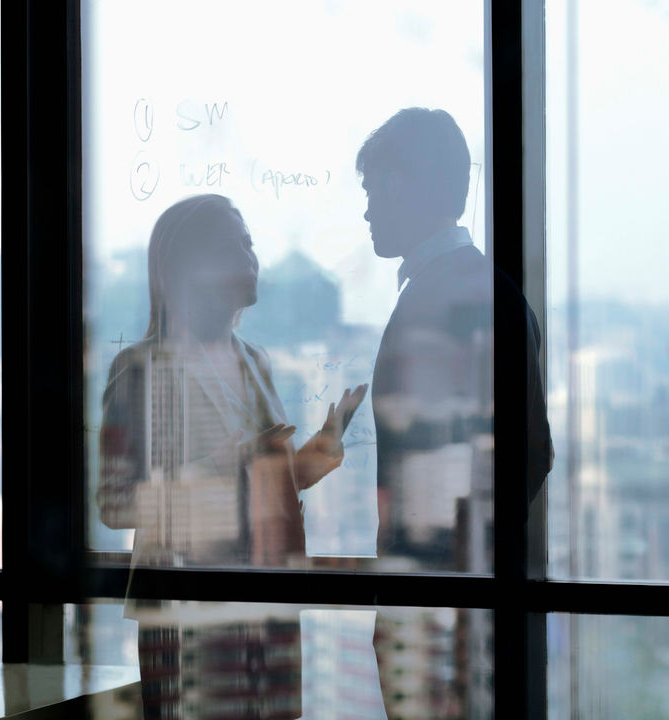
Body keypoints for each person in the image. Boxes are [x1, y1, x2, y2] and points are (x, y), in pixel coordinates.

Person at [96, 193, 366, 718]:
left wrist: (320, 450)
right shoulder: (141, 369)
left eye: (249, 243)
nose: (250, 257)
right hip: (187, 608)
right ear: (191, 269)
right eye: (231, 246)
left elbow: (265, 482)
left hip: (267, 601)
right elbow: (114, 505)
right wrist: (225, 463)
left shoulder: (256, 362)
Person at [357, 108, 552, 572]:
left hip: (438, 598)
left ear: (396, 187)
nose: (366, 211)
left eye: (370, 191)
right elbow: (534, 452)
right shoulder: (496, 289)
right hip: (474, 586)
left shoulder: (436, 301)